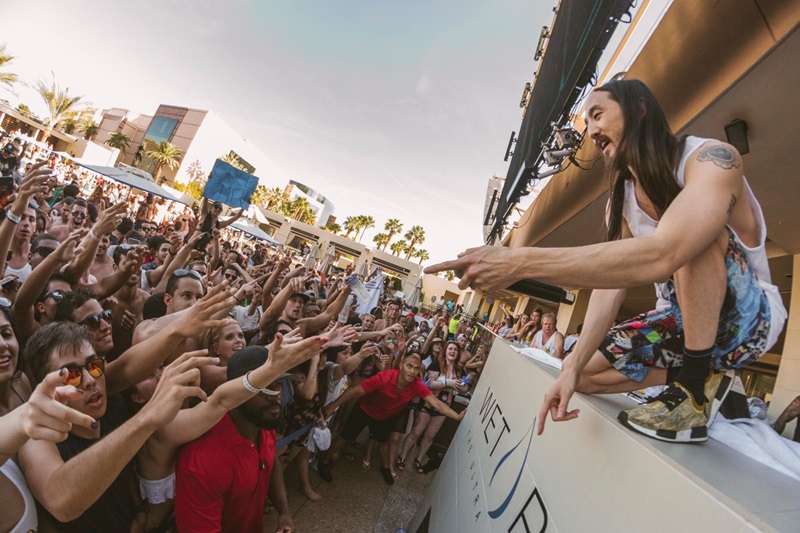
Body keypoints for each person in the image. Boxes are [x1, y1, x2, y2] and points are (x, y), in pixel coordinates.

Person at [428, 79, 787, 443]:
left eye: (598, 115)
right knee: (580, 374)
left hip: (748, 319)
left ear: (639, 108)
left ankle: (692, 394)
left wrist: (518, 262)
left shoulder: (712, 159)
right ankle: (704, 375)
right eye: (587, 122)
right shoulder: (623, 199)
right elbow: (610, 284)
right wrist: (571, 363)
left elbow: (667, 252)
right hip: (677, 321)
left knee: (693, 238)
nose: (592, 130)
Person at [174, 346, 296, 533]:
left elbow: (271, 461)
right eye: (264, 387)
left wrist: (284, 513)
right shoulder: (201, 463)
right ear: (237, 390)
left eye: (278, 384)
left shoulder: (262, 422)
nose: (277, 396)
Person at [318, 352, 465, 485]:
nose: (412, 371)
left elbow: (436, 403)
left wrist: (457, 416)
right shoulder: (385, 377)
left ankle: (386, 467)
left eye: (416, 368)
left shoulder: (417, 385)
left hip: (384, 416)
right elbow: (355, 391)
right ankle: (324, 461)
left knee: (383, 443)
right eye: (409, 366)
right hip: (365, 410)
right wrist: (332, 405)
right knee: (344, 438)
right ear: (401, 365)